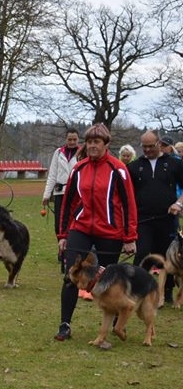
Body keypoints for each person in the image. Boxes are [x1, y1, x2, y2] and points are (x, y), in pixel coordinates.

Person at [55, 123, 136, 341]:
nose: (92, 146)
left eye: (96, 142)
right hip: (80, 229)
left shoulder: (118, 169)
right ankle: (65, 325)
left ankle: (117, 323)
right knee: (70, 275)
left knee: (111, 281)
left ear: (106, 144)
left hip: (110, 232)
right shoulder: (78, 169)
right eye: (89, 142)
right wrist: (63, 235)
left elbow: (129, 204)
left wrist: (130, 238)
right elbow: (68, 203)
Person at [127, 130, 183, 304]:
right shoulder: (135, 166)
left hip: (166, 219)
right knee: (142, 253)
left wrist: (179, 204)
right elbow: (127, 193)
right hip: (143, 220)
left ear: (159, 143)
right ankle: (136, 290)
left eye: (151, 146)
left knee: (165, 258)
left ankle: (166, 293)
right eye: (144, 146)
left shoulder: (174, 164)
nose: (148, 150)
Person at [42, 128, 82, 272]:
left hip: (76, 193)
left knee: (73, 223)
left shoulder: (82, 153)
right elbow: (52, 174)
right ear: (66, 139)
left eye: (74, 139)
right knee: (59, 224)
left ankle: (71, 252)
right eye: (69, 139)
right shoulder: (58, 153)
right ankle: (62, 248)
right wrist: (47, 194)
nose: (72, 142)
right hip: (60, 192)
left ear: (78, 140)